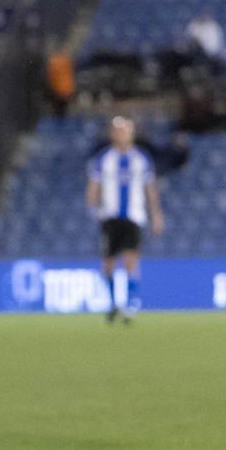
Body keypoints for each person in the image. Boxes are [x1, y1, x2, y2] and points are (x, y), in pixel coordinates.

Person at [86, 117, 164, 323]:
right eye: (118, 131)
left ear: (131, 134)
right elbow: (93, 185)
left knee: (130, 260)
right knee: (109, 263)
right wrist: (93, 206)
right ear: (112, 134)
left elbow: (150, 188)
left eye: (125, 131)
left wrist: (156, 214)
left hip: (133, 216)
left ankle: (131, 303)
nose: (121, 135)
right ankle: (113, 304)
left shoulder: (141, 159)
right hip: (109, 217)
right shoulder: (104, 159)